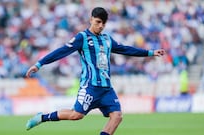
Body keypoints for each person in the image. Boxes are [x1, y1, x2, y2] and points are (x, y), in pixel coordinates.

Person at [25, 7, 165, 135]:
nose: (101, 26)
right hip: (90, 86)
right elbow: (62, 51)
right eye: (98, 22)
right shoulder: (82, 37)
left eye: (103, 23)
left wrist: (150, 52)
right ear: (91, 19)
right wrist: (39, 63)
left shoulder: (107, 39)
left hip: (106, 88)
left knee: (117, 116)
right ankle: (42, 118)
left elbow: (126, 49)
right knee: (76, 115)